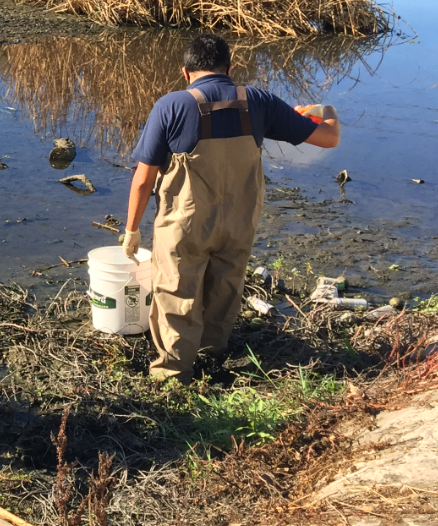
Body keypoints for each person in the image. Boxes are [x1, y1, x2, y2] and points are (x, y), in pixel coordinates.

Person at [123, 34, 341, 382]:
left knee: (176, 290)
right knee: (225, 287)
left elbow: (142, 179)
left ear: (185, 72)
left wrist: (132, 230)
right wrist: (324, 111)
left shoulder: (171, 105)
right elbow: (329, 137)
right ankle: (213, 353)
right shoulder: (259, 101)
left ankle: (173, 374)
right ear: (230, 68)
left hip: (186, 223)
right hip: (240, 220)